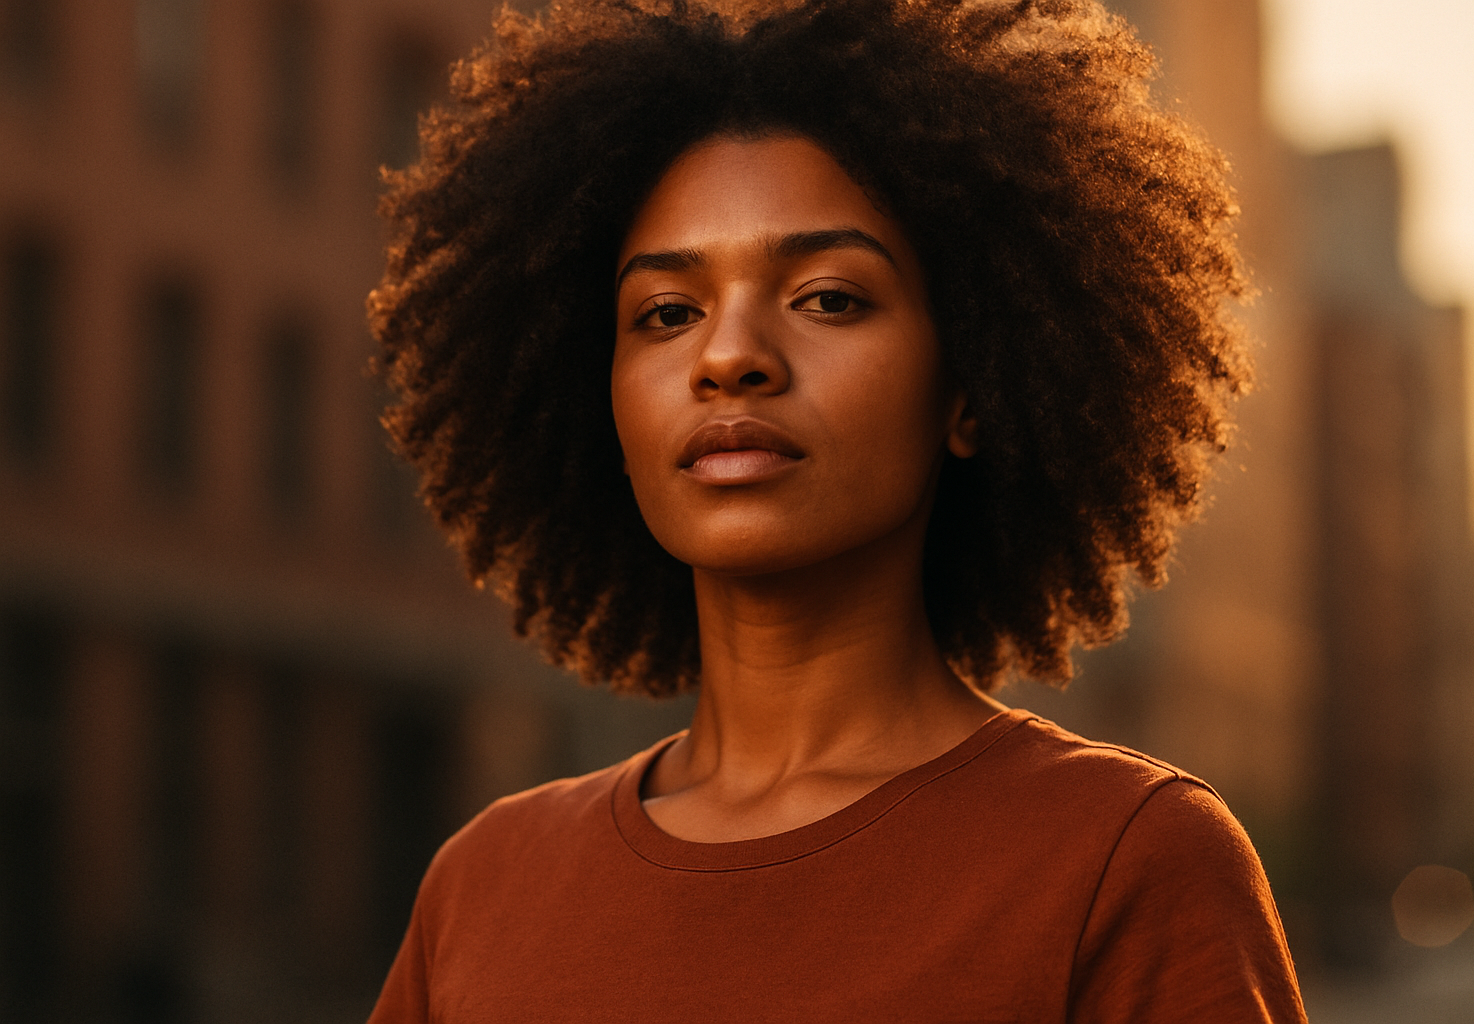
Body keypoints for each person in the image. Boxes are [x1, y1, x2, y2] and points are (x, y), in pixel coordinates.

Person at [366, 0, 1308, 1020]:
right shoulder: (484, 885)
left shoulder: (1128, 859)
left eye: (828, 297)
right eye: (667, 313)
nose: (729, 357)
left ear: (968, 386)